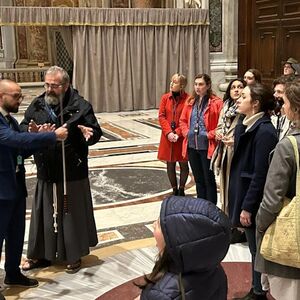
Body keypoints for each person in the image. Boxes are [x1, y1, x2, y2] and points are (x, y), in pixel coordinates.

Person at [20, 66, 102, 273]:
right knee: (44, 215)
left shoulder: (81, 106)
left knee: (69, 213)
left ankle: (73, 255)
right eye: (46, 84)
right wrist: (30, 131)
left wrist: (88, 134)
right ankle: (41, 255)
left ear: (65, 86)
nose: (49, 89)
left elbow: (95, 132)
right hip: (46, 168)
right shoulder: (38, 104)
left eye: (54, 85)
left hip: (71, 171)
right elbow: (23, 127)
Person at [0, 79, 68, 299]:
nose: (20, 100)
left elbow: (19, 148)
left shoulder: (9, 120)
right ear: (1, 96)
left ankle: (12, 273)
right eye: (16, 96)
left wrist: (40, 137)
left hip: (16, 188)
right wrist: (50, 136)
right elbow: (13, 139)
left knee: (16, 234)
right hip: (1, 191)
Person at [228, 84, 278, 300]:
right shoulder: (247, 125)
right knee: (253, 249)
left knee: (257, 251)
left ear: (256, 103)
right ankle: (256, 289)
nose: (238, 98)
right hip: (246, 196)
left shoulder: (264, 131)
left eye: (244, 96)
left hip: (254, 202)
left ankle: (259, 292)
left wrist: (247, 207)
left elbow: (260, 175)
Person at [135, 195, 231, 300]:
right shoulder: (214, 268)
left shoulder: (162, 294)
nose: (153, 225)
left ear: (177, 241)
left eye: (159, 224)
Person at [255, 80, 300, 300]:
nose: (282, 107)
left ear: (296, 108)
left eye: (285, 102)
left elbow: (272, 200)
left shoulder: (288, 147)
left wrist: (260, 226)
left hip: (293, 243)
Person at [179, 73, 223, 204]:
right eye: (196, 84)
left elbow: (221, 125)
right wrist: (186, 132)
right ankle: (201, 206)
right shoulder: (190, 101)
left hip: (206, 147)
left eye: (201, 84)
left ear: (208, 85)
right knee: (198, 179)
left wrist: (209, 134)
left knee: (208, 179)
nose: (198, 87)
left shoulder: (216, 103)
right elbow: (182, 121)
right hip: (192, 145)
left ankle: (211, 208)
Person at [213, 78, 246, 215]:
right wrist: (219, 132)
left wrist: (235, 140)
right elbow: (219, 126)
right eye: (233, 87)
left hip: (237, 151)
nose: (236, 89)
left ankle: (234, 218)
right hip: (224, 150)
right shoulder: (226, 105)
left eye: (239, 87)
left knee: (234, 185)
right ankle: (226, 214)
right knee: (224, 185)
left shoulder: (245, 109)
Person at [157, 73, 190, 196]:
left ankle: (181, 189)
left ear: (181, 86)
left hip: (180, 138)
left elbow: (187, 119)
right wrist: (169, 133)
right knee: (170, 164)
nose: (171, 84)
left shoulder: (188, 99)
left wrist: (177, 133)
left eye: (174, 82)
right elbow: (161, 116)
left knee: (183, 163)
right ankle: (174, 189)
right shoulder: (165, 98)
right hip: (168, 137)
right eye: (171, 81)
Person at [271, 75, 294, 140]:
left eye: (279, 92)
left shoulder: (294, 118)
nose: (275, 95)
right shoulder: (274, 113)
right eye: (275, 91)